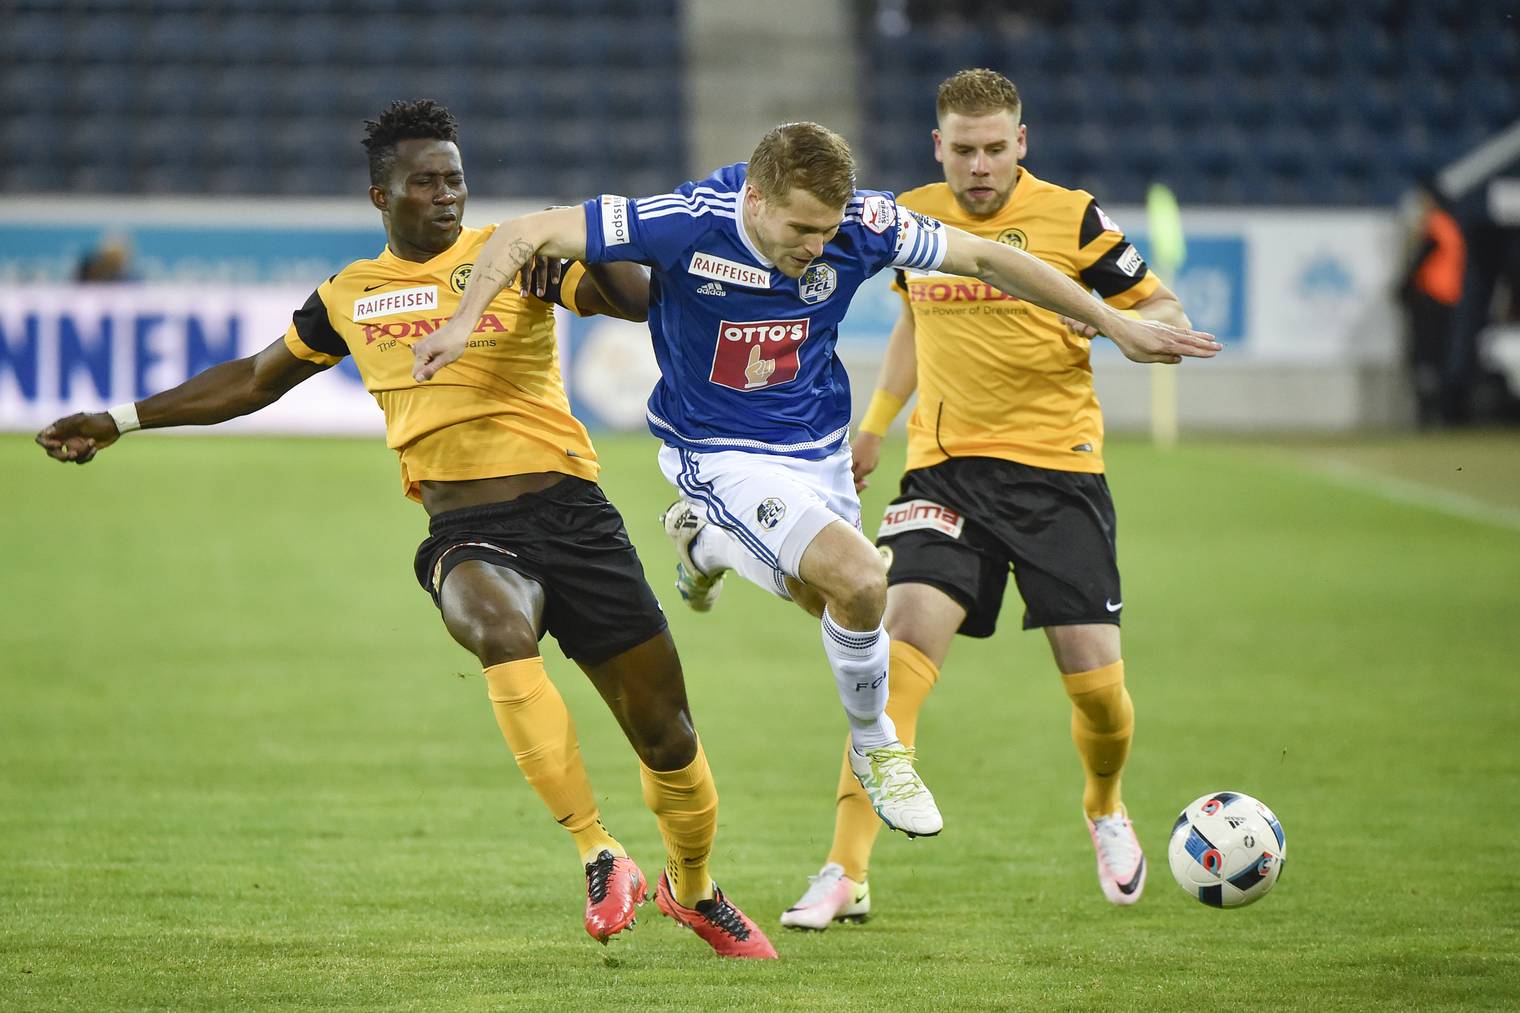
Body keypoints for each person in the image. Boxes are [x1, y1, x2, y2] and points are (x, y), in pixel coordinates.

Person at [34, 99, 777, 960]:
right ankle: (598, 850)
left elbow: (636, 301)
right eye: (425, 182)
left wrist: (592, 245)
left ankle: (694, 887)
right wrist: (118, 419)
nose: (447, 195)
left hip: (574, 515)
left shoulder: (513, 254)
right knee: (495, 626)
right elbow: (252, 378)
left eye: (455, 178)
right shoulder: (350, 293)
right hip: (466, 526)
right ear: (381, 197)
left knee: (668, 735)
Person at [408, 120, 1219, 864]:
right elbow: (523, 232)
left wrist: (1114, 322)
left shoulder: (865, 225)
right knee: (865, 579)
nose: (815, 246)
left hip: (818, 455)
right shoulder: (688, 219)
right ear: (754, 201)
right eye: (800, 229)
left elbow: (984, 256)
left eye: (827, 231)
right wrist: (460, 320)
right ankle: (878, 748)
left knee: (825, 600)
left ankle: (706, 544)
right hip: (719, 452)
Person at [777, 69, 1199, 930]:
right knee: (892, 661)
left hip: (1059, 473)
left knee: (1098, 692)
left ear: (1021, 143)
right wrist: (875, 427)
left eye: (994, 149)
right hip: (945, 473)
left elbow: (1154, 299)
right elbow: (911, 324)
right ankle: (844, 869)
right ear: (939, 145)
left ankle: (1105, 804)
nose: (978, 166)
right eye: (962, 149)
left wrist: (1132, 323)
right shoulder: (910, 214)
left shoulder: (1073, 218)